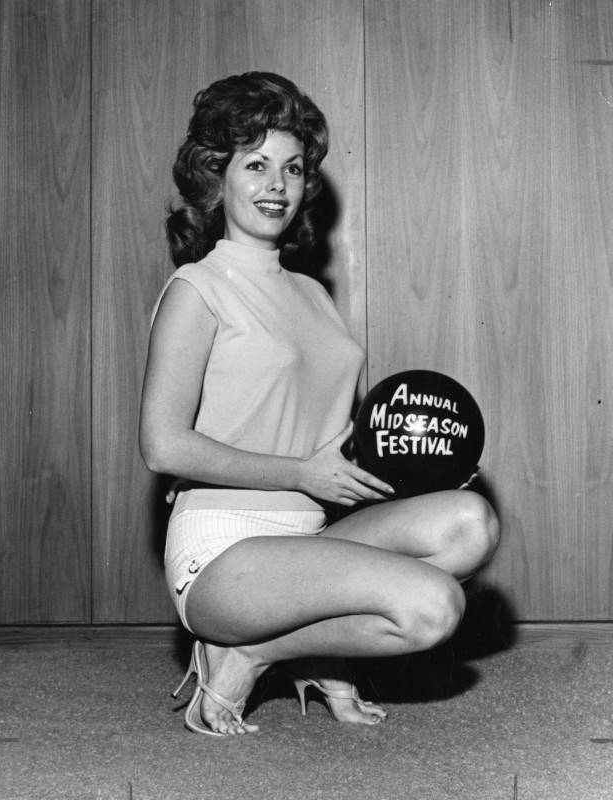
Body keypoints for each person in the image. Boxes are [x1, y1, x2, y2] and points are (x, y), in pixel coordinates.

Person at [139, 71, 499, 737]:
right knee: (433, 608)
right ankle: (246, 649)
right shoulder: (198, 288)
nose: (276, 184)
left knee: (470, 522)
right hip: (225, 552)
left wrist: (422, 470)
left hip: (310, 539)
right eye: (256, 165)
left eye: (293, 167)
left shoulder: (313, 296)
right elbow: (164, 445)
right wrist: (302, 474)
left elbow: (335, 451)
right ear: (216, 178)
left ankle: (298, 646)